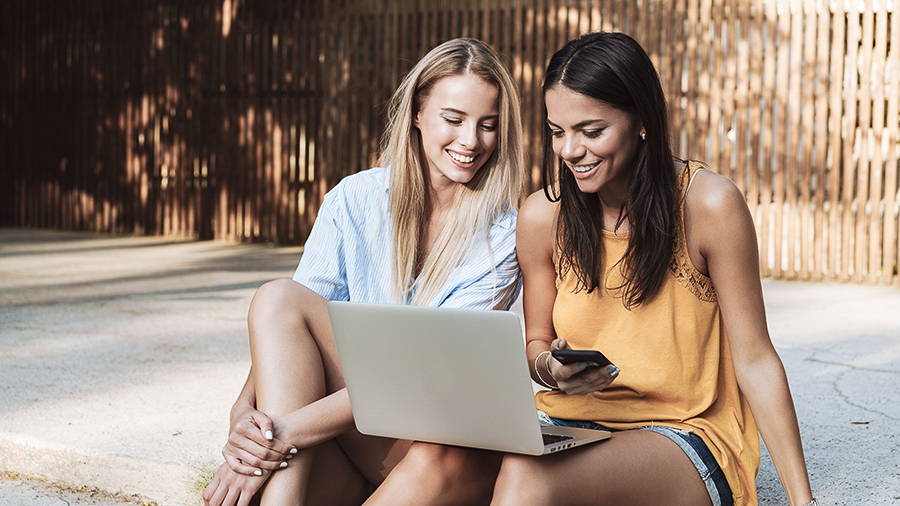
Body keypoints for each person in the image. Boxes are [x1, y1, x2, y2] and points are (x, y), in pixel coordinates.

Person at [489, 32, 814, 505]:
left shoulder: (709, 205)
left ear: (641, 120)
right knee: (437, 459)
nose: (569, 150)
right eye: (557, 131)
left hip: (680, 432)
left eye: (591, 131)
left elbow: (756, 359)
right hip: (566, 424)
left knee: (527, 477)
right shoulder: (543, 216)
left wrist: (802, 500)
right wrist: (551, 368)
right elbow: (536, 344)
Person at [202, 37, 524, 506]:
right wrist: (244, 413)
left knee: (436, 455)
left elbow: (419, 376)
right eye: (453, 120)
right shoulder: (354, 200)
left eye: (488, 126)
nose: (470, 141)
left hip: (431, 449)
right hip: (355, 437)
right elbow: (289, 330)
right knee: (278, 296)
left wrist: (278, 435)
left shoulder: (501, 238)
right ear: (416, 112)